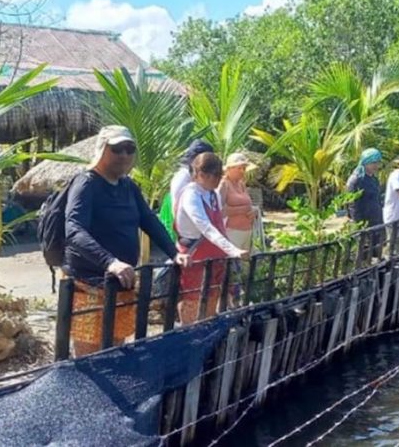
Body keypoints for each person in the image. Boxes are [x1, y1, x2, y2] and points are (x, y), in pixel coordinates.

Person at [63, 125, 189, 356]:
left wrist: (174, 252)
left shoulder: (128, 186)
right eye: (117, 148)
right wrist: (110, 262)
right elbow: (74, 229)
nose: (124, 155)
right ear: (102, 150)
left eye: (129, 149)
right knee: (89, 355)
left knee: (115, 347)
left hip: (122, 282)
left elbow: (148, 220)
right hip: (89, 283)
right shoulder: (86, 184)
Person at [175, 152, 249, 324]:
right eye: (215, 175)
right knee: (192, 299)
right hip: (195, 254)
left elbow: (219, 226)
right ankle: (189, 335)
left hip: (215, 255)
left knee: (212, 296)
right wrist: (232, 250)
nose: (218, 179)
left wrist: (228, 250)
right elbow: (206, 227)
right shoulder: (190, 195)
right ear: (201, 174)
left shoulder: (212, 195)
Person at [218, 153, 258, 251]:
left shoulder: (241, 184)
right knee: (233, 263)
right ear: (229, 169)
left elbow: (248, 205)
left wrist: (254, 211)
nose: (242, 171)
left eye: (244, 168)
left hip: (247, 231)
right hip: (232, 232)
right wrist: (241, 210)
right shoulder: (223, 184)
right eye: (239, 168)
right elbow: (219, 211)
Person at [346, 148, 383, 227]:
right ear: (365, 162)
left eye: (377, 162)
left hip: (377, 221)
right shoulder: (356, 180)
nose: (376, 165)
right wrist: (359, 225)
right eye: (373, 163)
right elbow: (352, 205)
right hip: (363, 224)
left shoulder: (374, 179)